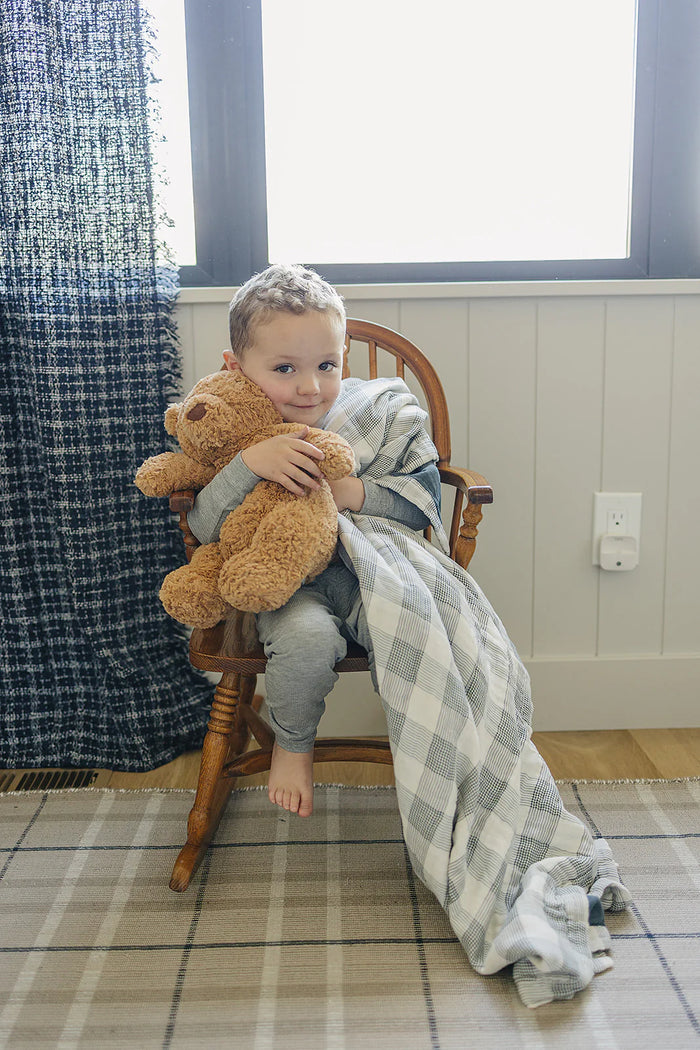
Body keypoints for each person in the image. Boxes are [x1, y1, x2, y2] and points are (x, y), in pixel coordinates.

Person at [186, 263, 441, 818]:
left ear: (344, 355)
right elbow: (205, 526)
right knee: (305, 640)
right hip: (286, 586)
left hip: (372, 573)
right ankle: (292, 746)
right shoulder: (237, 429)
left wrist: (351, 492)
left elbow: (421, 502)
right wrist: (249, 465)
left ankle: (441, 763)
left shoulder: (378, 412)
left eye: (327, 365)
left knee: (424, 631)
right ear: (237, 367)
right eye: (284, 368)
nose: (310, 386)